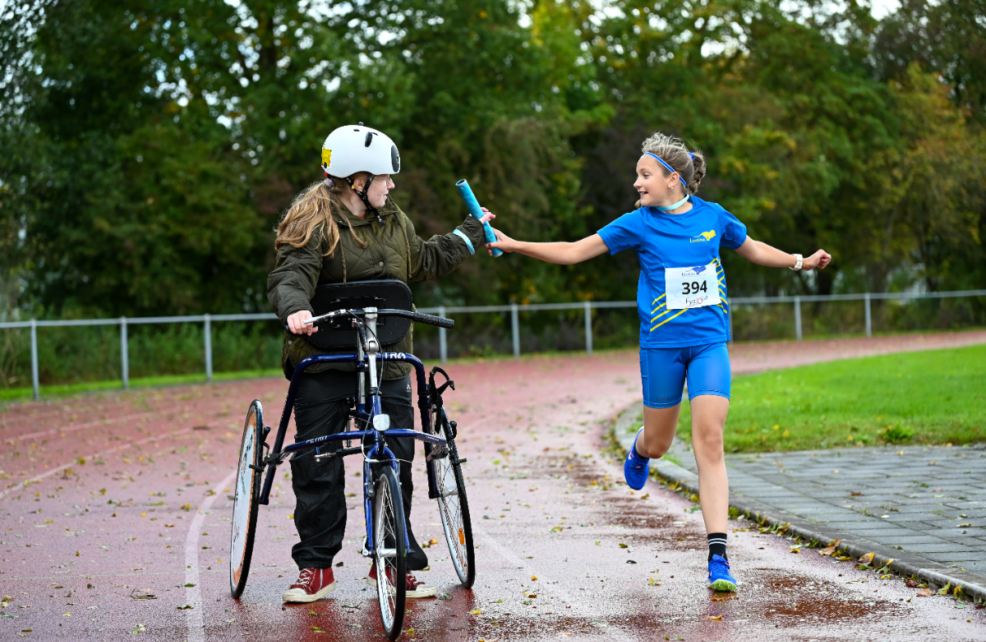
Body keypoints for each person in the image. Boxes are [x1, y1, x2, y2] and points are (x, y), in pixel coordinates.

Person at [486, 132, 831, 592]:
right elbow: (573, 251)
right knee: (661, 444)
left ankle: (718, 557)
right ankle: (640, 447)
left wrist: (800, 262)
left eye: (644, 175)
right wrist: (515, 245)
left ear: (673, 179)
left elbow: (751, 248)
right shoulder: (638, 224)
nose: (636, 183)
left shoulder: (713, 217)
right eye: (636, 175)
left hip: (710, 343)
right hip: (662, 347)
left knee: (710, 439)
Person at [268, 123, 494, 603]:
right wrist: (296, 309)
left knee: (396, 454)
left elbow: (424, 261)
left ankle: (393, 561)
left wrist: (470, 233)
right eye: (385, 178)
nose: (392, 186)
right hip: (325, 360)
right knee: (316, 460)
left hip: (386, 360)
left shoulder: (394, 220)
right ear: (356, 180)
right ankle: (316, 566)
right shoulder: (312, 222)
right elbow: (291, 274)